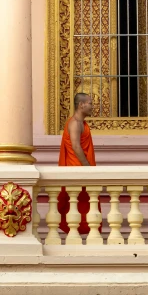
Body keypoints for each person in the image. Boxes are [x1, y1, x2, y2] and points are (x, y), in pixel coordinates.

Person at [58, 93, 97, 235]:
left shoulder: (82, 124)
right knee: (77, 205)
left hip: (81, 170)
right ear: (81, 105)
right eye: (90, 103)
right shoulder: (74, 123)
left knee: (85, 205)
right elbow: (75, 147)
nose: (92, 106)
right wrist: (88, 168)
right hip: (77, 171)